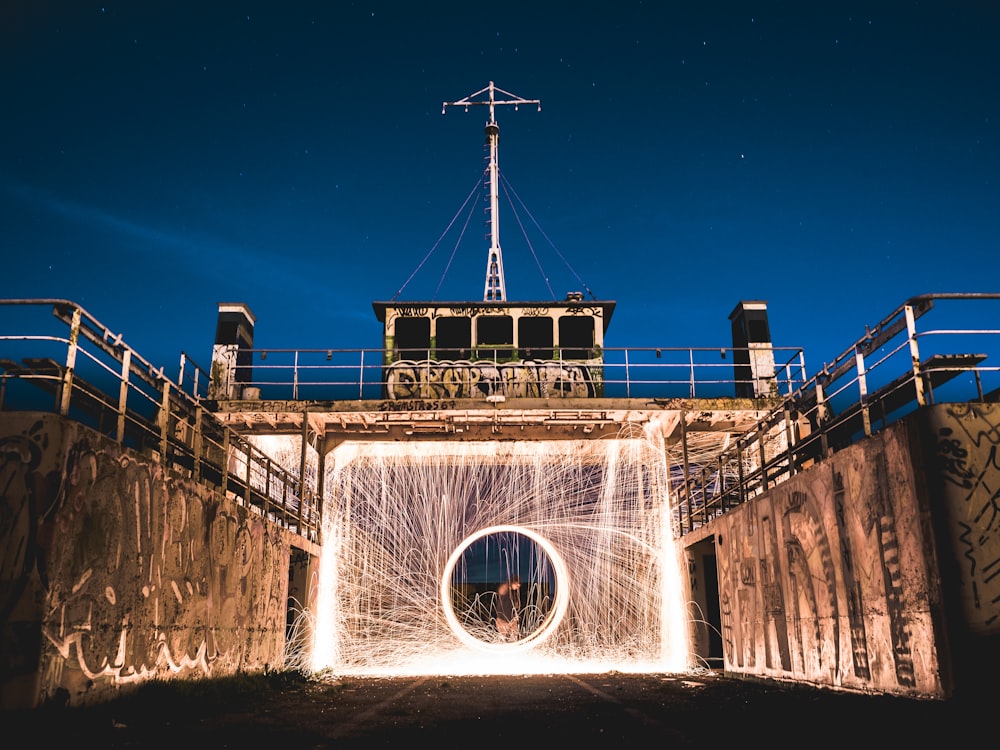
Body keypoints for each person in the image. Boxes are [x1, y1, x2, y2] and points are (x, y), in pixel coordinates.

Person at [495, 575, 521, 641]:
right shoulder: (504, 588)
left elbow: (514, 606)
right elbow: (501, 590)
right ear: (513, 582)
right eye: (517, 585)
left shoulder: (512, 593)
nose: (518, 587)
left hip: (512, 620)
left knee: (514, 638)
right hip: (502, 620)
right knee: (502, 639)